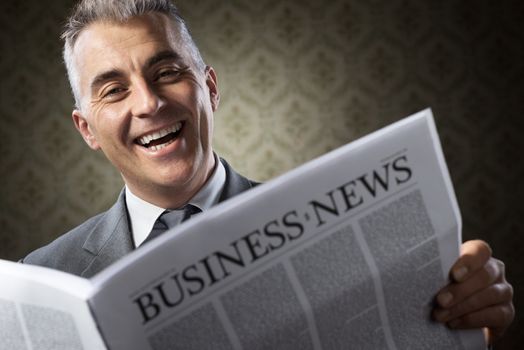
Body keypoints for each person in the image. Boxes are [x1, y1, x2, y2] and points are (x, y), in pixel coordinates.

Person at [22, 0, 514, 345]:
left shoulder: (339, 237)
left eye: (168, 73)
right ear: (86, 128)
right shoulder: (42, 276)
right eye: (114, 90)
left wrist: (465, 328)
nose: (149, 103)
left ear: (209, 89)